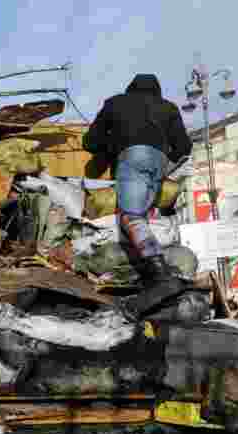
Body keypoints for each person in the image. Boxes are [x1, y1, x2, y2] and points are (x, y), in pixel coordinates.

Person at [83, 73, 193, 292]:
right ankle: (142, 277)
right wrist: (163, 164)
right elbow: (184, 147)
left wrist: (112, 145)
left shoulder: (115, 103)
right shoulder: (169, 108)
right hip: (159, 165)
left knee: (130, 217)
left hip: (133, 159)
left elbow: (91, 141)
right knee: (141, 218)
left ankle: (159, 270)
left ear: (130, 88)